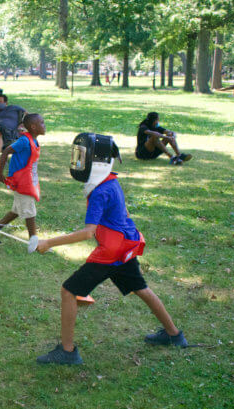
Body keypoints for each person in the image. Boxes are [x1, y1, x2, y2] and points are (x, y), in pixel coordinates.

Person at [34, 133, 187, 364]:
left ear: (96, 162)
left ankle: (67, 352)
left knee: (69, 291)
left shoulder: (100, 191)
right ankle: (174, 335)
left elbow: (88, 233)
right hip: (124, 247)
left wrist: (48, 243)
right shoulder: (111, 181)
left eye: (83, 157)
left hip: (111, 252)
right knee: (140, 288)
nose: (79, 162)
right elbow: (124, 214)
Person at [0, 113, 45, 248]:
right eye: (42, 123)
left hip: (30, 180)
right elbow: (6, 151)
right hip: (22, 182)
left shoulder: (34, 140)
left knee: (18, 209)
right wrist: (0, 173)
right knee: (30, 211)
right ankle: (34, 242)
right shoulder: (24, 141)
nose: (44, 125)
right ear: (33, 127)